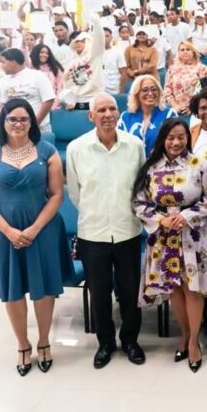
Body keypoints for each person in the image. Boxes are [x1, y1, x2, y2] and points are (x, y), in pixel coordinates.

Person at [0, 98, 72, 375]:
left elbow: (56, 195)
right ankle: (22, 345)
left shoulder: (48, 151)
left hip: (43, 229)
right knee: (13, 290)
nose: (18, 124)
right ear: (2, 122)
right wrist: (9, 231)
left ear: (33, 122)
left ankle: (44, 342)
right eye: (12, 119)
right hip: (2, 231)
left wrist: (33, 229)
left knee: (44, 289)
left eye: (24, 119)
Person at [132, 118, 207, 372]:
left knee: (193, 288)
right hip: (164, 237)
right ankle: (186, 334)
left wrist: (187, 216)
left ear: (187, 139)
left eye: (181, 137)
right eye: (171, 138)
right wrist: (162, 219)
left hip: (195, 236)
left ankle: (193, 342)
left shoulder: (199, 163)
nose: (176, 142)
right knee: (175, 289)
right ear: (162, 140)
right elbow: (139, 203)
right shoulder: (151, 168)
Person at [66, 94, 147, 369]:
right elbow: (76, 193)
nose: (108, 114)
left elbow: (141, 187)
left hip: (128, 230)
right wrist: (95, 211)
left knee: (129, 291)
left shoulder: (134, 146)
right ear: (91, 116)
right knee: (99, 293)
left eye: (113, 108)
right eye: (101, 110)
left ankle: (131, 340)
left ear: (119, 113)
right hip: (93, 232)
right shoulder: (77, 148)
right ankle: (105, 343)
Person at [117, 74, 178, 156]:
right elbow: (118, 145)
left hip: (160, 164)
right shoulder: (126, 117)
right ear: (137, 93)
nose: (150, 93)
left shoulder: (169, 114)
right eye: (145, 90)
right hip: (131, 163)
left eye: (154, 89)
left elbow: (175, 142)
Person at [0, 48, 56, 132]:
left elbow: (49, 100)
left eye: (3, 62)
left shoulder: (37, 76)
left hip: (39, 127)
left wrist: (35, 123)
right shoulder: (5, 80)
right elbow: (4, 104)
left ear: (13, 63)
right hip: (15, 129)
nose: (1, 65)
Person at [59, 18, 105, 109]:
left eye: (82, 41)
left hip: (94, 100)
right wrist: (69, 99)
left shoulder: (95, 56)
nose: (78, 43)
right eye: (76, 41)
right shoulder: (73, 62)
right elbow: (66, 82)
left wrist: (96, 23)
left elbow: (99, 40)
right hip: (77, 103)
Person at [164, 41, 207, 115]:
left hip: (196, 110)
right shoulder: (172, 69)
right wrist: (174, 105)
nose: (185, 52)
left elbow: (205, 91)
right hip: (176, 110)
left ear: (193, 52)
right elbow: (167, 90)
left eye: (188, 49)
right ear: (179, 53)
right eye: (182, 50)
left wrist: (193, 107)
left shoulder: (202, 68)